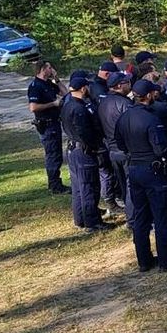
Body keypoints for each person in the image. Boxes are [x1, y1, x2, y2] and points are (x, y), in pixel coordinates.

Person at [115, 79, 167, 272]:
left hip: (134, 168)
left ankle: (144, 261)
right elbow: (161, 148)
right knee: (161, 216)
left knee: (141, 216)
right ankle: (166, 260)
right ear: (149, 95)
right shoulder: (151, 119)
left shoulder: (124, 117)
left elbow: (120, 144)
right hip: (153, 170)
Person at [60, 73, 109, 232]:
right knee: (89, 186)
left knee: (78, 187)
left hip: (72, 149)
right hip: (83, 152)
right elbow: (84, 132)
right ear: (83, 89)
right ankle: (92, 222)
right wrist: (95, 147)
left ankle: (80, 218)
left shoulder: (67, 105)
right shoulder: (79, 109)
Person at [27, 60, 69, 194]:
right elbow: (33, 107)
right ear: (43, 69)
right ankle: (55, 185)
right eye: (50, 68)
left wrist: (57, 79)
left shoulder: (49, 83)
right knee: (53, 155)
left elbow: (66, 94)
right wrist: (53, 104)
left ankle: (56, 183)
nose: (52, 69)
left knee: (57, 154)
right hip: (46, 125)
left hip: (54, 122)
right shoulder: (36, 86)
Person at [98, 71, 134, 217]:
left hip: (112, 150)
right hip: (125, 150)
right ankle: (133, 217)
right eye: (127, 82)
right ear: (119, 85)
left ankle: (129, 213)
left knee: (123, 184)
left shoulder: (103, 102)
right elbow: (131, 127)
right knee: (131, 185)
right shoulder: (124, 103)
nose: (130, 85)